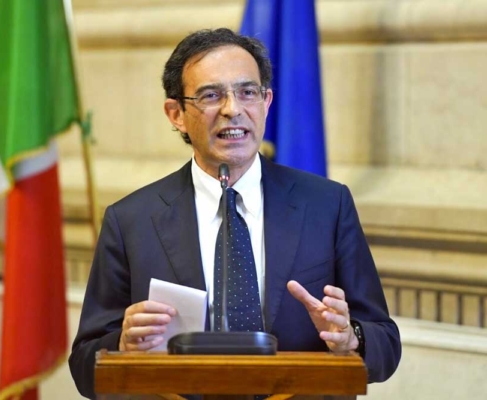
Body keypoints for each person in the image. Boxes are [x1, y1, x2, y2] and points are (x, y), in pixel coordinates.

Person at [69, 28, 401, 399]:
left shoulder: (327, 205)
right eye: (211, 95)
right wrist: (123, 345)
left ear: (266, 102)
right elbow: (84, 366)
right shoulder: (131, 220)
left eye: (247, 92)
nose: (233, 109)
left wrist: (350, 338)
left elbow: (386, 345)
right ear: (176, 114)